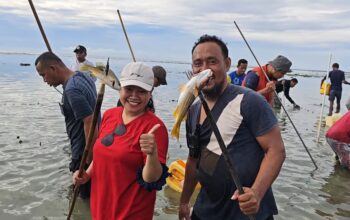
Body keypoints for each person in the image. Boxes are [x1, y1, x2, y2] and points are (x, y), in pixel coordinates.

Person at [179, 35, 285, 220]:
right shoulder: (193, 110)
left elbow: (276, 150)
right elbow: (193, 160)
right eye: (198, 64)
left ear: (227, 64)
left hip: (247, 212)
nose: (205, 69)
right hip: (205, 209)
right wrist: (184, 201)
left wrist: (257, 193)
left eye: (212, 61)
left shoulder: (250, 101)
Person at [73, 62, 169, 220]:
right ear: (120, 89)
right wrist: (86, 174)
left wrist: (152, 154)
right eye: (129, 89)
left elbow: (151, 179)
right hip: (100, 207)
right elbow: (101, 154)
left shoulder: (155, 127)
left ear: (150, 93)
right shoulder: (110, 114)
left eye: (141, 91)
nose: (134, 96)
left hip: (130, 212)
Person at [35, 51, 99, 199]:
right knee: (87, 191)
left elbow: (89, 121)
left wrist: (89, 159)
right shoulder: (81, 76)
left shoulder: (72, 90)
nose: (44, 81)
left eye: (43, 75)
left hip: (83, 152)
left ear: (53, 68)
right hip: (92, 147)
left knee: (83, 197)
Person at [326, 104, 350, 170]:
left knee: (339, 160)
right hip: (339, 139)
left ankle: (336, 171)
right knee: (347, 167)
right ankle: (341, 177)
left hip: (330, 134)